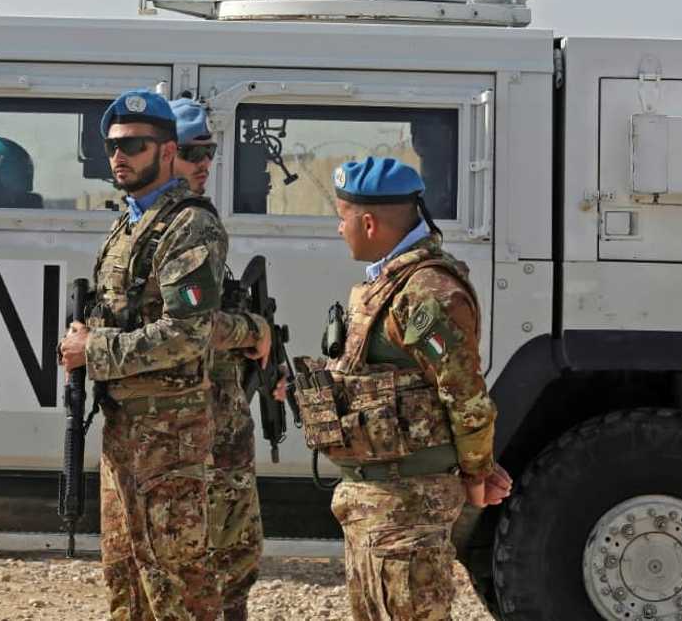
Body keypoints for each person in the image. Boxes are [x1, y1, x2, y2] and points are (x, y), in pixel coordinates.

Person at [318, 156, 512, 621]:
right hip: (376, 501)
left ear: (368, 221)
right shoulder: (386, 285)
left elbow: (465, 396)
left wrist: (477, 473)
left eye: (341, 217)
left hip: (408, 503)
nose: (338, 229)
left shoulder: (426, 292)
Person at [58, 89, 226, 621]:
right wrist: (86, 331)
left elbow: (188, 333)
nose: (119, 156)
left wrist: (96, 349)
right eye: (112, 146)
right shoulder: (130, 223)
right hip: (125, 429)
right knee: (126, 583)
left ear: (168, 150)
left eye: (134, 144)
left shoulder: (189, 225)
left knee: (176, 583)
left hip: (169, 436)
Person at [170, 96, 270, 621]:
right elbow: (192, 328)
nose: (203, 163)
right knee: (221, 553)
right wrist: (253, 330)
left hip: (210, 410)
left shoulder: (164, 223)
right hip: (202, 421)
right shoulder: (187, 225)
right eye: (192, 152)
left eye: (208, 150)